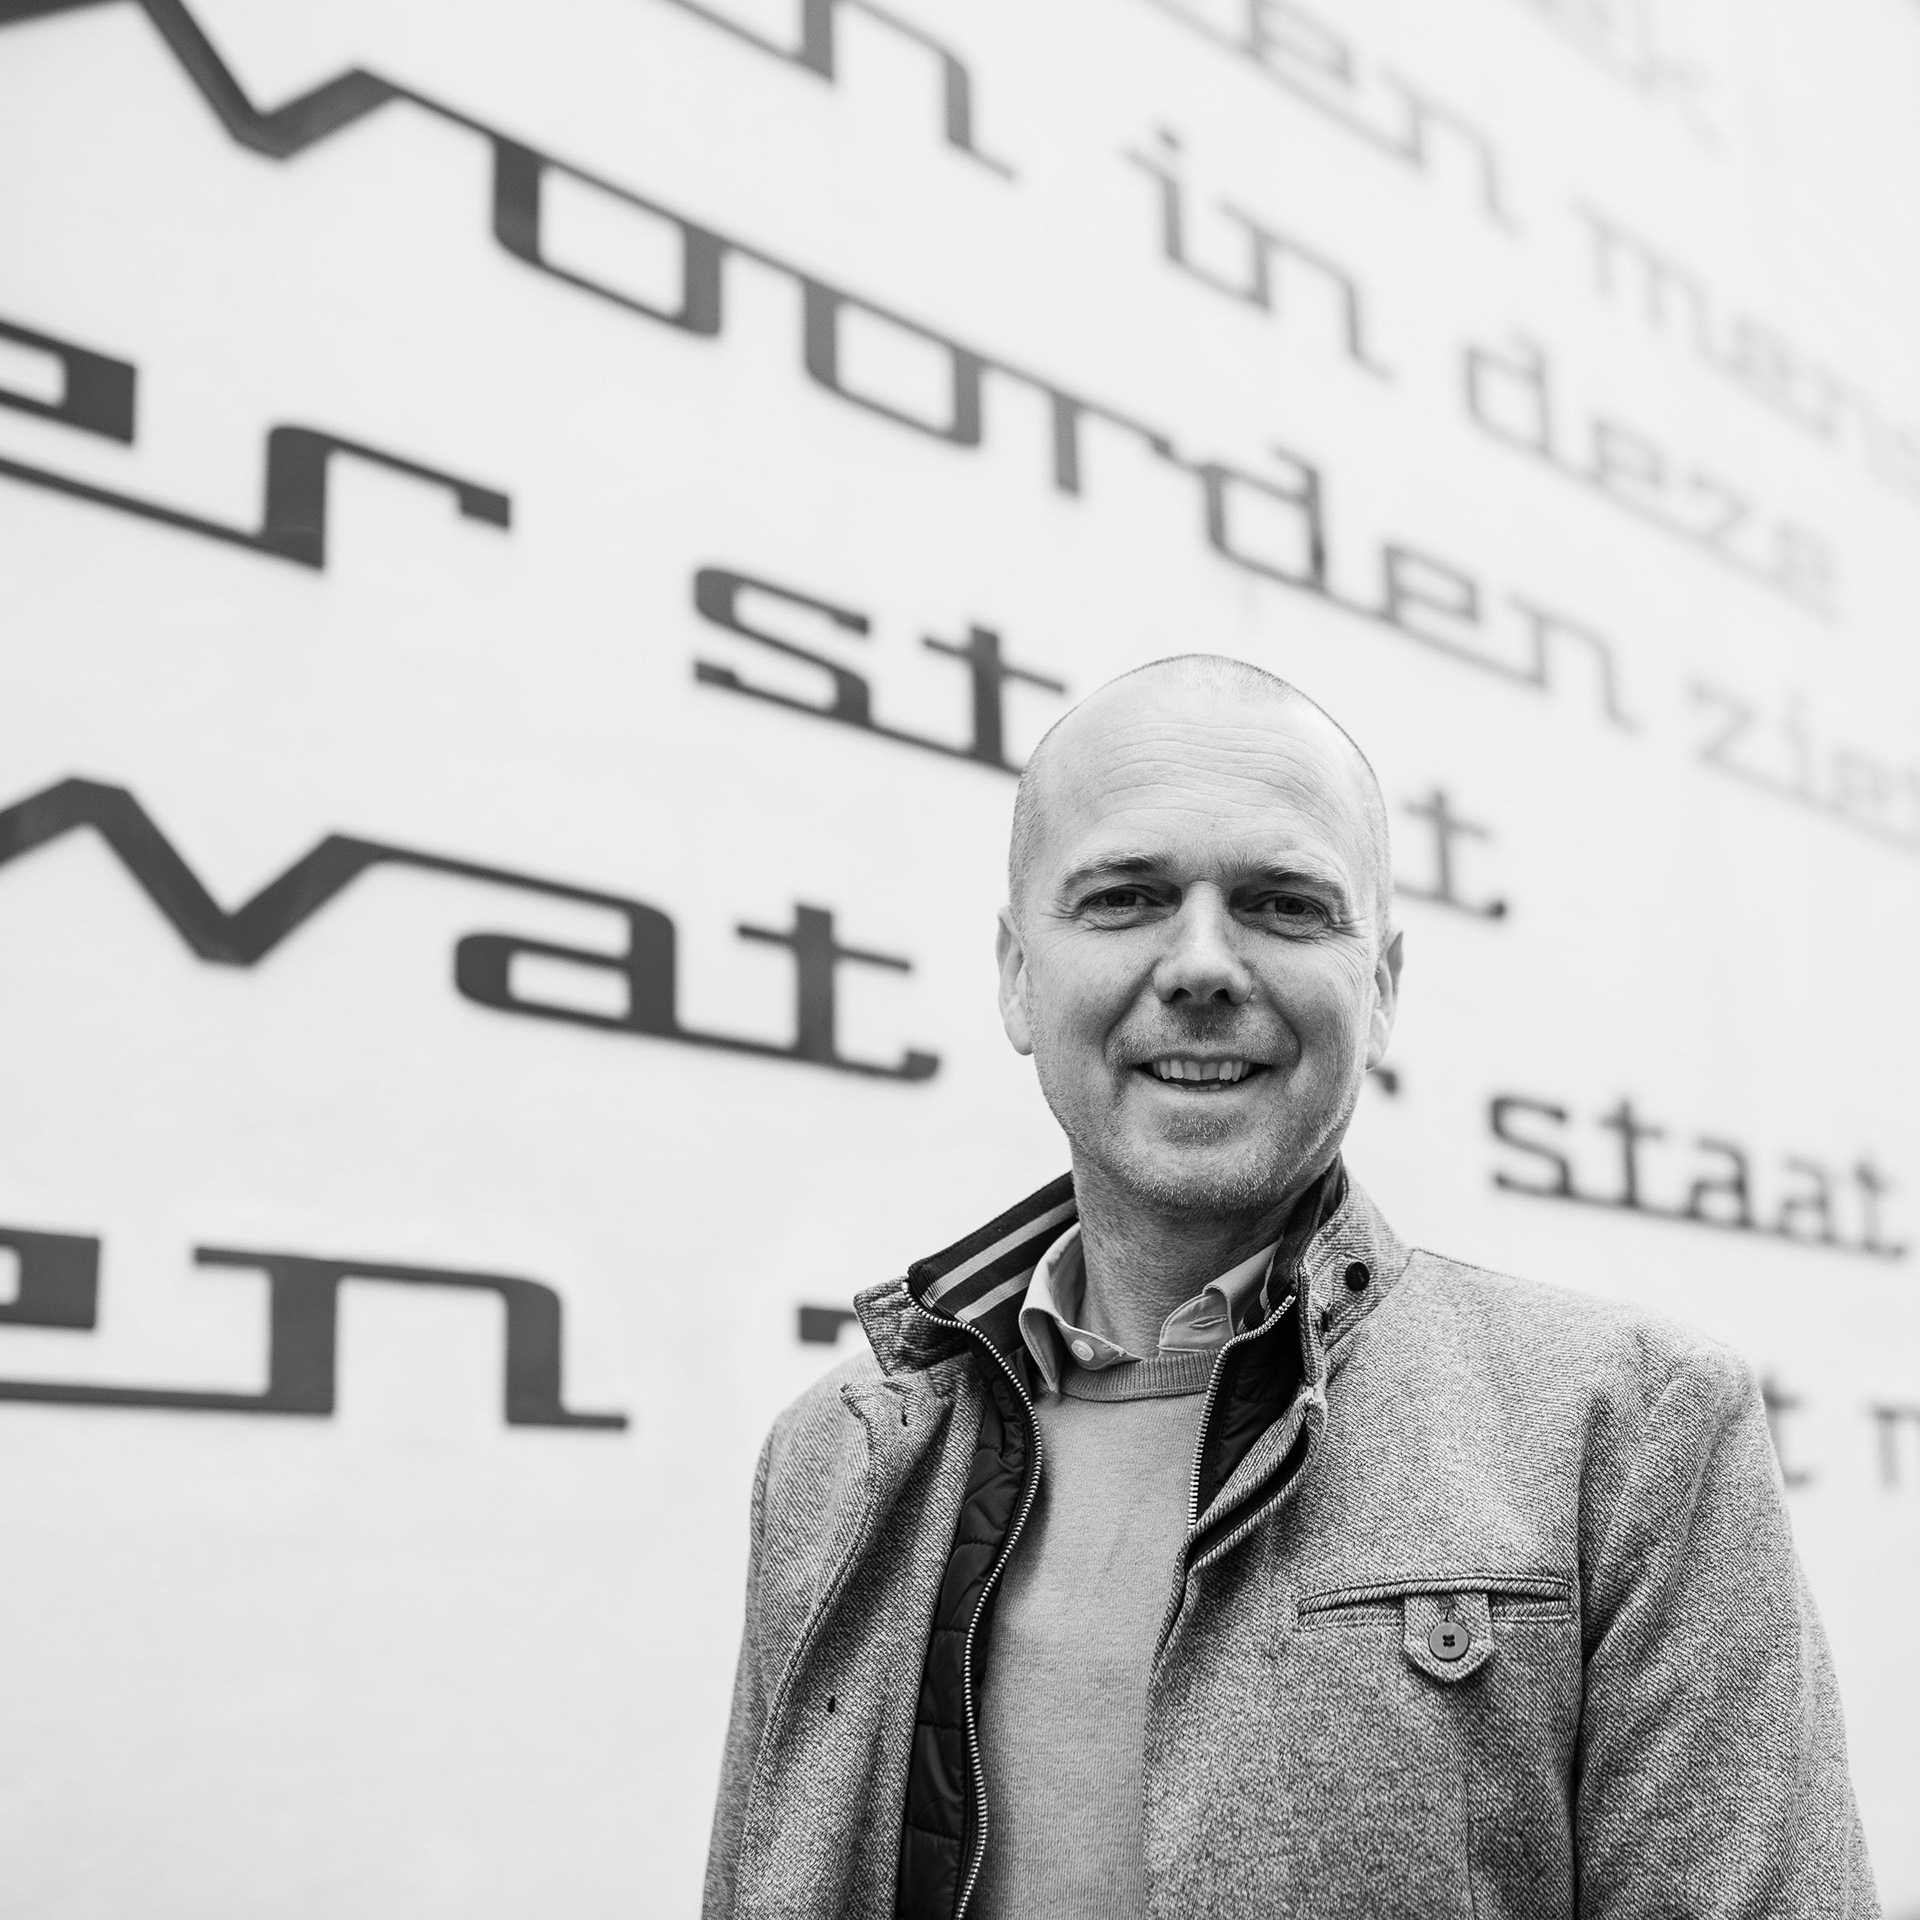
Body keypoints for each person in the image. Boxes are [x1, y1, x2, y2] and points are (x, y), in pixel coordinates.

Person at [703, 655, 1876, 1920]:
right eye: (1125, 897)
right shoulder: (835, 1459)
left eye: (1283, 905)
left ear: (1381, 990)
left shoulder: (1634, 1430)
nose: (1202, 964)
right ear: (1017, 976)